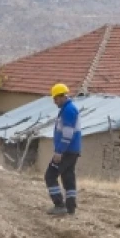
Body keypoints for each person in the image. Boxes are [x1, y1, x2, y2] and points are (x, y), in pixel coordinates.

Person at [44, 83, 81, 216]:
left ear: (61, 97)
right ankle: (70, 207)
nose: (54, 102)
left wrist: (59, 151)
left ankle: (59, 205)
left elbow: (67, 134)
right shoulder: (68, 109)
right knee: (68, 176)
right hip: (73, 151)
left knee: (50, 175)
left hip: (66, 151)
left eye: (55, 99)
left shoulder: (68, 111)